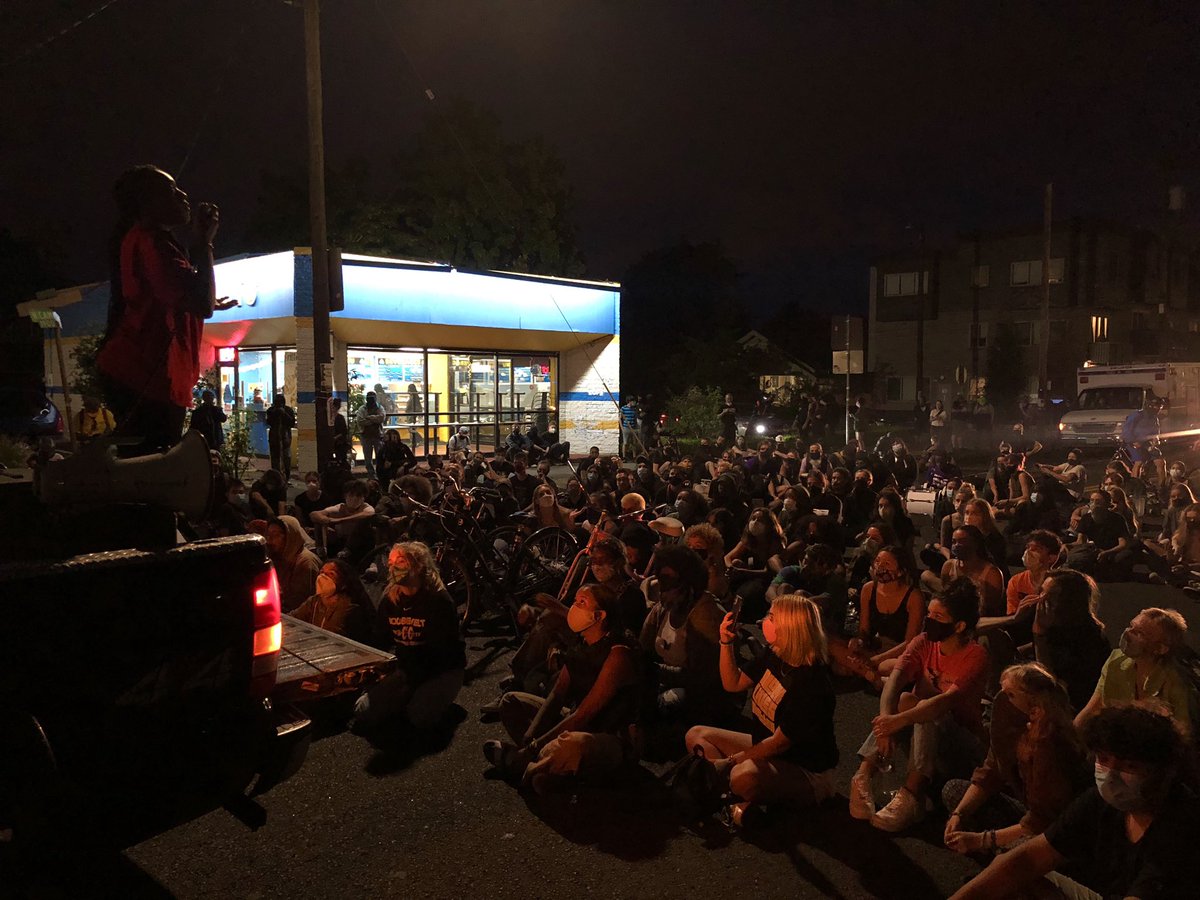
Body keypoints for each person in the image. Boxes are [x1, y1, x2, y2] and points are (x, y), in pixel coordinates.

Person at [950, 705, 1200, 900]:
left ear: (1163, 772)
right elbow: (1027, 860)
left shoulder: (1181, 826)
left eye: (1129, 766)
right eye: (1104, 759)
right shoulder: (1100, 802)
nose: (1110, 774)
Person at [96, 165, 234, 455]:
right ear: (147, 203)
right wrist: (203, 243)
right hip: (146, 376)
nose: (184, 196)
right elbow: (200, 303)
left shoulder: (143, 240)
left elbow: (176, 296)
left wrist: (205, 300)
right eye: (171, 192)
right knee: (153, 466)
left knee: (145, 459)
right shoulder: (152, 242)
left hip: (141, 374)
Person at [686, 594, 839, 825]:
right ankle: (735, 802)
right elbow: (732, 683)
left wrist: (729, 763)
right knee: (696, 735)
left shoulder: (812, 684)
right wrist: (725, 642)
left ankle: (732, 795)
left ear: (790, 628)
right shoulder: (776, 654)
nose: (763, 621)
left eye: (772, 617)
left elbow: (779, 743)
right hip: (765, 748)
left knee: (742, 775)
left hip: (805, 769)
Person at [851, 578, 988, 832]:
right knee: (903, 700)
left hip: (962, 743)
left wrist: (897, 721)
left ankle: (912, 794)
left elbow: (945, 703)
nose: (930, 620)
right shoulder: (925, 642)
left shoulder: (975, 655)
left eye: (938, 616)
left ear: (959, 626)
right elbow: (894, 681)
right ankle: (864, 775)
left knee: (926, 709)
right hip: (922, 735)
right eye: (929, 613)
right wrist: (886, 721)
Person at [487, 582, 641, 793]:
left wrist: (532, 747)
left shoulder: (617, 654)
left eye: (582, 603)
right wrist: (530, 738)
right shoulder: (583, 641)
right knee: (510, 702)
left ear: (599, 616)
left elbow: (584, 715)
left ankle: (524, 766)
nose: (574, 607)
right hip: (577, 719)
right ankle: (545, 769)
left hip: (610, 736)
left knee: (572, 744)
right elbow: (558, 694)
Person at [942, 662, 1090, 858]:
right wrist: (958, 814)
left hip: (1057, 831)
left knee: (1020, 851)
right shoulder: (1014, 733)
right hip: (1030, 813)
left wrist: (981, 839)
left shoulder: (1049, 744)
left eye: (1010, 695)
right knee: (954, 792)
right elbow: (990, 774)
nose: (1000, 701)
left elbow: (1043, 821)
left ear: (1035, 709)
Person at [353, 542, 465, 733]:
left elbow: (444, 653)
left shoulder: (438, 601)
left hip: (442, 671)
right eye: (390, 563)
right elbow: (380, 639)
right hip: (408, 670)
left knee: (418, 717)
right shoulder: (391, 599)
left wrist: (408, 683)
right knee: (363, 710)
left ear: (418, 566)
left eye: (400, 561)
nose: (393, 567)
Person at [640, 545, 730, 732]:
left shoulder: (705, 616)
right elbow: (643, 647)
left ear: (689, 582)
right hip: (669, 679)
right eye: (660, 579)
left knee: (663, 703)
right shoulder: (664, 608)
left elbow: (701, 677)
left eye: (669, 581)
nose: (663, 589)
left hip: (701, 693)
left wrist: (655, 671)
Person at [1075, 607, 1192, 735]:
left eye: (1139, 633)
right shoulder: (1116, 660)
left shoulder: (1175, 680)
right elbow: (1093, 708)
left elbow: (1183, 732)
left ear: (1160, 648)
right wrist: (1070, 738)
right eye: (1131, 626)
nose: (1128, 633)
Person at [1031, 568, 1113, 711]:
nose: (1042, 600)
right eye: (1042, 592)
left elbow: (1053, 685)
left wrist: (1039, 635)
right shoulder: (1052, 623)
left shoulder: (1090, 639)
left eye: (1052, 596)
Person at [850, 547, 928, 684]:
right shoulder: (868, 589)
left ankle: (872, 675)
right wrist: (859, 643)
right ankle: (876, 677)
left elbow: (910, 642)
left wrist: (878, 659)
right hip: (875, 645)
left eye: (887, 564)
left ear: (901, 571)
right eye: (878, 561)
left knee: (886, 667)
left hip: (899, 650)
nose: (879, 566)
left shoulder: (913, 597)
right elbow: (864, 629)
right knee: (843, 659)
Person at [290, 558, 373, 643]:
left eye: (330, 574)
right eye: (322, 572)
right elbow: (293, 618)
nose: (322, 577)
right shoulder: (314, 601)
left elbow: (334, 637)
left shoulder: (349, 608)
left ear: (343, 583)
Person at [932, 525, 1005, 617]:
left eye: (962, 541)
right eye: (954, 542)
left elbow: (993, 607)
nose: (956, 545)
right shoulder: (949, 566)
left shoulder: (991, 573)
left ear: (975, 543)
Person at [1069, 490, 1132, 581]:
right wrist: (1067, 545)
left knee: (1124, 557)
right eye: (1092, 501)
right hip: (1094, 551)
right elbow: (1080, 541)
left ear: (1107, 504)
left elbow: (1123, 544)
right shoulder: (1086, 518)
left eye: (1098, 502)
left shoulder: (1117, 519)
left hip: (1113, 551)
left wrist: (1107, 552)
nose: (1094, 504)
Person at [265, 515, 322, 613]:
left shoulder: (306, 562)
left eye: (275, 535)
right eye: (268, 535)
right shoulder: (278, 557)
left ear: (290, 536)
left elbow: (297, 602)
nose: (269, 540)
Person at [311, 479, 376, 563]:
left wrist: (339, 520)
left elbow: (369, 514)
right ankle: (321, 550)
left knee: (363, 523)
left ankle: (347, 550)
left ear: (363, 498)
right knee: (318, 522)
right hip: (340, 540)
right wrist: (326, 520)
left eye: (358, 495)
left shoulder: (366, 508)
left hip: (358, 545)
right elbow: (314, 514)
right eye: (351, 495)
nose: (355, 498)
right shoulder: (340, 507)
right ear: (345, 496)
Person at [266, 393, 296, 481]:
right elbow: (268, 422)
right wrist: (276, 413)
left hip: (285, 437)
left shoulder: (288, 410)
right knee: (275, 457)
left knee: (286, 457)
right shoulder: (271, 410)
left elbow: (292, 423)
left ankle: (287, 476)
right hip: (274, 437)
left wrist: (284, 414)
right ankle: (276, 476)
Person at [356, 392, 387, 478]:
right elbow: (360, 421)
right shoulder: (362, 408)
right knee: (367, 458)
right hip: (366, 436)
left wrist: (369, 417)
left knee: (379, 456)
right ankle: (371, 474)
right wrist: (374, 420)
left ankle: (379, 473)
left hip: (378, 436)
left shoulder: (380, 407)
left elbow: (381, 418)